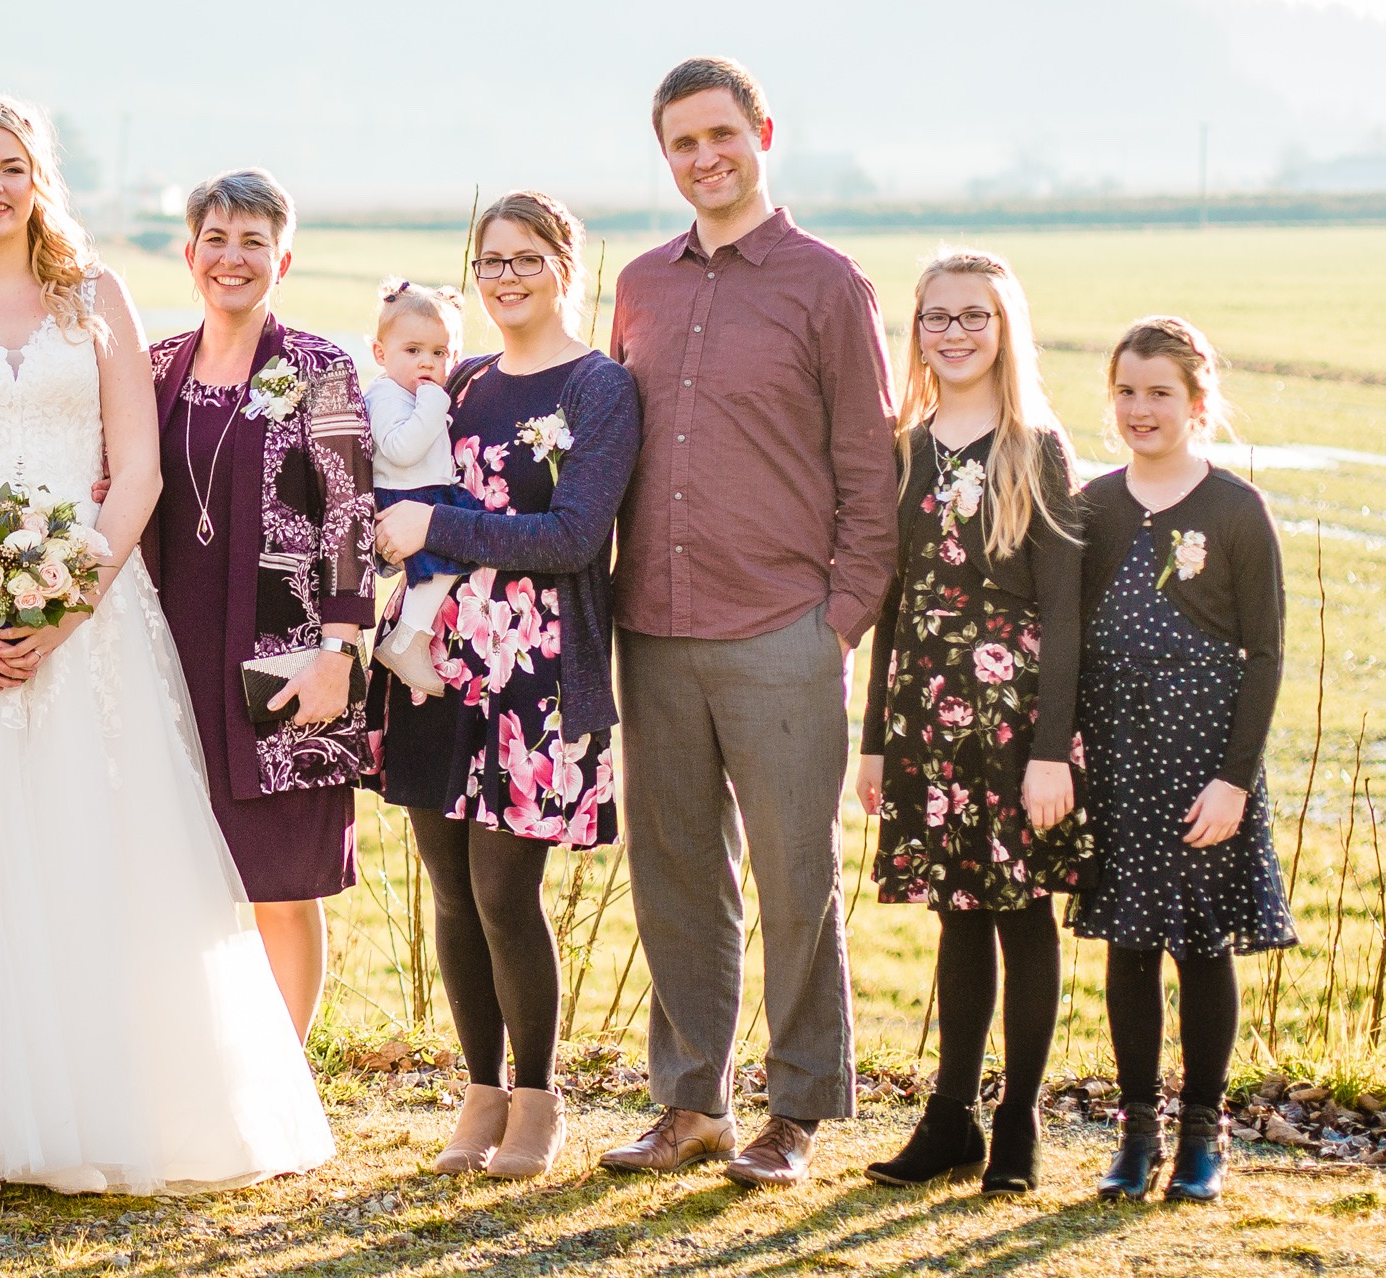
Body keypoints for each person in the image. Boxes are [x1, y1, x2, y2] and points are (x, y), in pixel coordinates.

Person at [0, 97, 334, 1195]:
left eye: (11, 166)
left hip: (85, 615)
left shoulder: (97, 300)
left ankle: (107, 1105)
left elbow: (136, 469)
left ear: (40, 182)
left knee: (90, 841)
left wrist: (67, 599)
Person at [600, 57, 901, 1188]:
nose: (702, 158)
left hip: (782, 626)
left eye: (719, 135)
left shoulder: (828, 285)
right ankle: (689, 1107)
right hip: (654, 627)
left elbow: (867, 470)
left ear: (760, 133)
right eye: (680, 143)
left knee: (793, 876)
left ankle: (796, 1113)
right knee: (675, 874)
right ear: (664, 154)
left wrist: (840, 617)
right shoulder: (638, 283)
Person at [372, 192, 637, 1180]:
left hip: (533, 674)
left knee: (501, 891)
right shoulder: (461, 380)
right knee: (447, 888)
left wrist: (433, 530)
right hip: (436, 668)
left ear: (562, 266)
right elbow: (395, 487)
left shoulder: (597, 390)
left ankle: (537, 1096)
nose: (506, 278)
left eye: (527, 259)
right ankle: (478, 1092)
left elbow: (572, 537)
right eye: (490, 261)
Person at [855, 249, 1090, 1197]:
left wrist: (1049, 755)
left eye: (972, 317)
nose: (952, 334)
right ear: (915, 332)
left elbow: (1066, 617)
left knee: (1023, 916)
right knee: (955, 917)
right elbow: (888, 602)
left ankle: (1018, 1122)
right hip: (923, 714)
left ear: (1004, 329)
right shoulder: (903, 448)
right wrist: (872, 737)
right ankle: (948, 1117)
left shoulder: (1036, 449)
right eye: (935, 318)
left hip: (1014, 720)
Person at [138, 168, 375, 1044]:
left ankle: (282, 1073)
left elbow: (352, 515)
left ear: (283, 256)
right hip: (167, 661)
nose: (231, 259)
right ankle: (198, 1065)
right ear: (189, 250)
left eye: (252, 242)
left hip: (284, 663)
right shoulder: (152, 367)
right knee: (181, 881)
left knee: (281, 883)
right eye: (216, 239)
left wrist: (339, 653)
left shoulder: (319, 369)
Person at [1074, 317, 1291, 1205]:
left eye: (1159, 392)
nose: (1139, 408)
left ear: (1197, 403)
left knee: (1202, 948)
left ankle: (1201, 1136)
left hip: (1206, 763)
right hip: (1120, 757)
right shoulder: (1092, 506)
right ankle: (1134, 1135)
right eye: (1125, 391)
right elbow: (1070, 636)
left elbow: (1266, 654)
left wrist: (1234, 779)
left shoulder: (1234, 510)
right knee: (1127, 948)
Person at [366, 278, 469, 697]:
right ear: (380, 353)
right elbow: (400, 448)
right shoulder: (387, 395)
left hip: (426, 491)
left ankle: (411, 638)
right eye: (412, 351)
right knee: (441, 565)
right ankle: (410, 637)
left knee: (454, 557)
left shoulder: (411, 393)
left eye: (438, 353)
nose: (426, 363)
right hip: (408, 496)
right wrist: (433, 403)